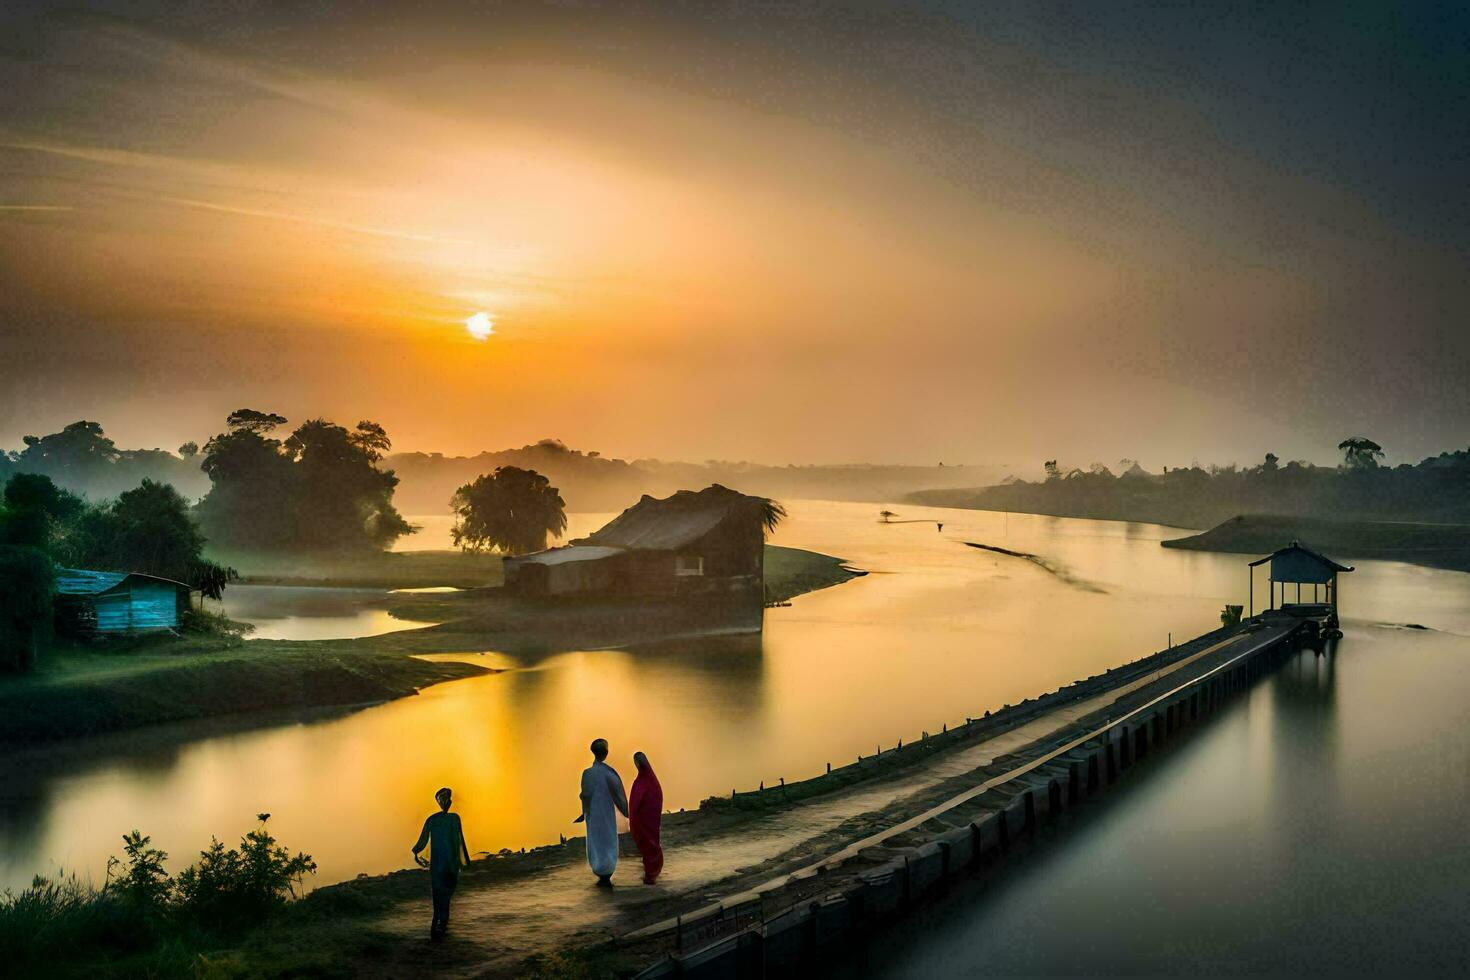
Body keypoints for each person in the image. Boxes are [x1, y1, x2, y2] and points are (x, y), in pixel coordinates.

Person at [411, 787, 471, 941]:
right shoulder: (451, 819)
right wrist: (465, 863)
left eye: (447, 799)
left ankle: (437, 929)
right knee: (444, 897)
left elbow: (423, 841)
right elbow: (460, 842)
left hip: (439, 865)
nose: (447, 802)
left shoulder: (434, 820)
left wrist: (416, 852)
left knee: (439, 897)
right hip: (449, 865)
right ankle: (440, 927)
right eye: (445, 799)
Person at [577, 738, 628, 886]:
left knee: (596, 841)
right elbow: (618, 795)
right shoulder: (609, 773)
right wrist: (627, 812)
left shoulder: (587, 773)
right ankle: (607, 871)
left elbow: (585, 795)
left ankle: (600, 870)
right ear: (606, 753)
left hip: (593, 814)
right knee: (607, 839)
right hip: (605, 813)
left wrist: (584, 812)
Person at [628, 751, 664, 884]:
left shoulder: (643, 781)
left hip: (644, 820)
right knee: (651, 843)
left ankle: (651, 874)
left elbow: (636, 802)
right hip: (649, 819)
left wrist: (633, 816)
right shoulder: (652, 779)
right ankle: (652, 871)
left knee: (648, 844)